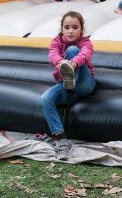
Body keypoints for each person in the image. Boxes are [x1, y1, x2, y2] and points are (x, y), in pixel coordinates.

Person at [40, 11, 96, 159]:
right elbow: (52, 55)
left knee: (72, 50)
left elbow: (85, 54)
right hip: (65, 86)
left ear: (81, 29)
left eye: (75, 27)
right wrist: (61, 62)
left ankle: (71, 79)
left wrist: (74, 62)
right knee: (45, 98)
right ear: (62, 29)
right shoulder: (56, 41)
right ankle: (61, 139)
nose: (70, 31)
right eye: (67, 27)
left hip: (84, 84)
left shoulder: (86, 42)